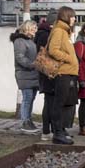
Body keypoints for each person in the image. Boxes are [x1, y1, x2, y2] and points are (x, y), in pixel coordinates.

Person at [46, 6, 80, 145]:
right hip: (62, 72)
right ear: (66, 16)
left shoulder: (65, 32)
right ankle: (57, 133)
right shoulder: (59, 31)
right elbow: (53, 50)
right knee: (59, 103)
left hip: (68, 72)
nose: (74, 19)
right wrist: (69, 58)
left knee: (63, 102)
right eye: (72, 16)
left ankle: (61, 130)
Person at [11, 19, 40, 133]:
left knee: (31, 98)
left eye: (35, 29)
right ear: (27, 29)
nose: (35, 31)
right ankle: (24, 122)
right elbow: (20, 57)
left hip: (33, 74)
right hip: (25, 74)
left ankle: (29, 120)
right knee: (27, 98)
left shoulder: (30, 41)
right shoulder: (20, 41)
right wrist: (32, 64)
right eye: (33, 28)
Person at [34, 10, 57, 139]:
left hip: (45, 73)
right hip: (49, 73)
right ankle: (47, 131)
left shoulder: (41, 33)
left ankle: (48, 130)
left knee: (49, 102)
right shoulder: (46, 35)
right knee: (50, 103)